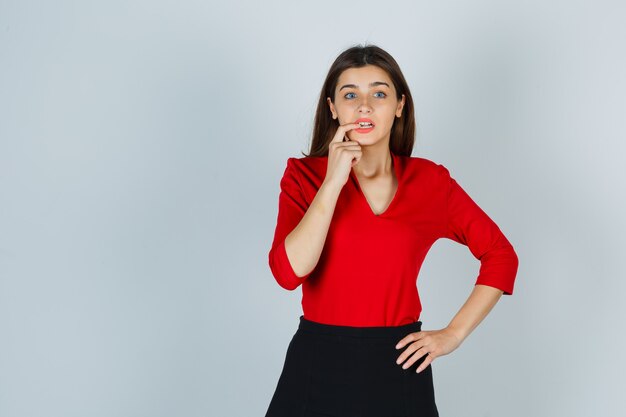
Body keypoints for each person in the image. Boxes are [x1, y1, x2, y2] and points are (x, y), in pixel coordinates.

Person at [264, 44, 519, 417]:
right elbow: (288, 273)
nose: (364, 106)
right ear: (332, 108)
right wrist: (333, 181)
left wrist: (453, 334)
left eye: (379, 93)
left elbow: (500, 255)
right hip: (317, 364)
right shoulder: (303, 177)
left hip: (399, 365)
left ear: (399, 105)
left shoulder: (430, 181)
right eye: (350, 94)